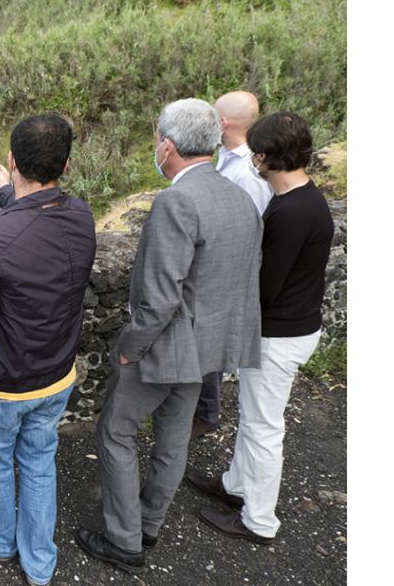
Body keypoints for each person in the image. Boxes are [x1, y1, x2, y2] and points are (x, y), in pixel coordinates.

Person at [75, 99, 262, 574]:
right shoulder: (241, 196)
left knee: (114, 431)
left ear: (167, 146)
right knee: (173, 438)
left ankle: (124, 540)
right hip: (209, 348)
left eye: (157, 138)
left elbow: (159, 297)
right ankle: (150, 523)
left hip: (164, 348)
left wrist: (129, 348)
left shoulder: (177, 201)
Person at [0, 114, 96, 586]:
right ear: (66, 165)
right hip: (56, 375)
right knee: (38, 462)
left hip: (0, 383)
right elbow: (39, 224)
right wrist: (7, 195)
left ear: (12, 160)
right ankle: (39, 562)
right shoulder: (82, 217)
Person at [188, 112, 334, 545]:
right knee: (254, 419)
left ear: (268, 156)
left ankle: (259, 520)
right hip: (293, 326)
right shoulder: (304, 199)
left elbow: (265, 286)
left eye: (256, 154)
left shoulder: (290, 213)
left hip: (279, 335)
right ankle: (236, 485)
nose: (253, 160)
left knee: (262, 427)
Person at [190, 90, 275, 438]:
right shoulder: (226, 158)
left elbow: (251, 227)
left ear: (222, 123)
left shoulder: (248, 173)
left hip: (228, 268)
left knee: (211, 341)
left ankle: (205, 414)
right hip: (215, 262)